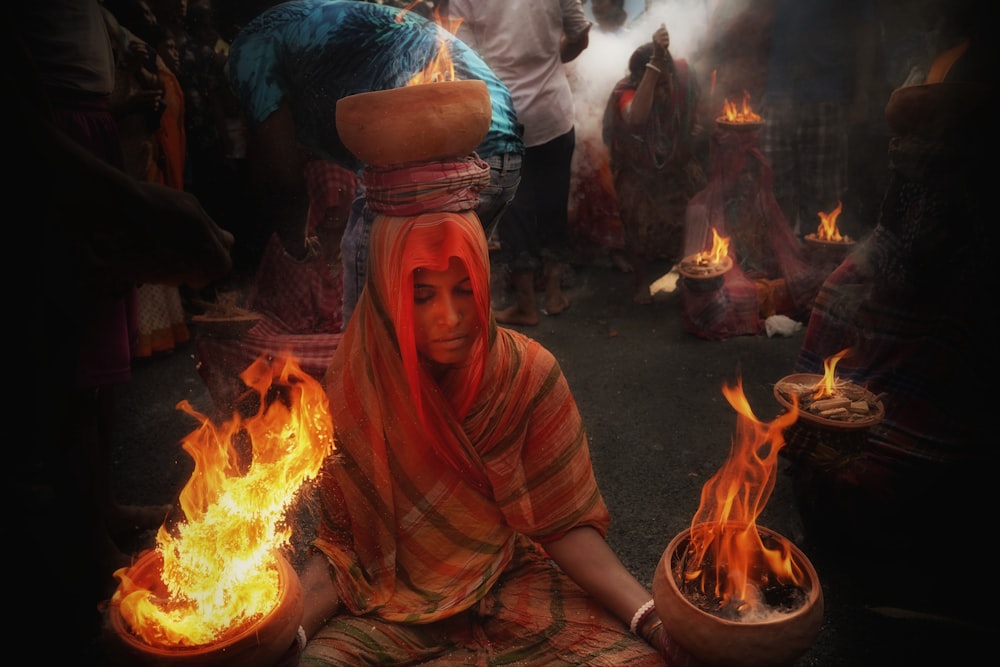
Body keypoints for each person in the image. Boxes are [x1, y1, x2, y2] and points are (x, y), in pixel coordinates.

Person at [287, 164, 697, 665]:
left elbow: (563, 526)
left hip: (509, 582)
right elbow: (342, 550)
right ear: (388, 299)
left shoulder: (527, 375)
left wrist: (652, 621)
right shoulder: (356, 391)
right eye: (422, 296)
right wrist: (289, 637)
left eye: (464, 290)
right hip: (389, 607)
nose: (451, 316)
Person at [12, 0, 233, 655]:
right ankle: (77, 548)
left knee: (106, 346)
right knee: (67, 356)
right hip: (53, 133)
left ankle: (100, 506)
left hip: (93, 126)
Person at [197, 0, 524, 415]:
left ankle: (386, 438)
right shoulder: (314, 16)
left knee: (380, 320)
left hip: (436, 155)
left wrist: (296, 241)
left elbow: (281, 175)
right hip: (500, 146)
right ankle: (463, 422)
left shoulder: (252, 43)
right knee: (443, 300)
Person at [780, 0, 992, 615]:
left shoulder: (980, 53)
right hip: (913, 237)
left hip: (965, 248)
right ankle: (833, 449)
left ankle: (903, 494)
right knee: (839, 295)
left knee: (941, 345)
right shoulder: (928, 50)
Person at [442, 0, 591, 326]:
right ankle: (553, 295)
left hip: (501, 116)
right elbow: (580, 36)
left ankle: (527, 306)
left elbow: (460, 56)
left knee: (514, 213)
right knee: (554, 205)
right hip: (553, 114)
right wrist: (550, 61)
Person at [603, 26, 707, 304]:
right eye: (654, 85)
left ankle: (689, 275)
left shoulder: (684, 78)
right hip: (638, 170)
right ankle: (640, 283)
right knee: (639, 219)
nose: (662, 92)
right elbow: (635, 117)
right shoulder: (625, 91)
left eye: (665, 84)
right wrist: (655, 66)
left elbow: (697, 112)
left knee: (698, 206)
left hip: (676, 163)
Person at [758, 0, 877, 234]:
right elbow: (755, 27)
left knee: (824, 198)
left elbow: (865, 31)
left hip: (825, 97)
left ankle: (819, 261)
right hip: (777, 98)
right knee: (775, 192)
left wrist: (861, 96)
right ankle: (784, 259)